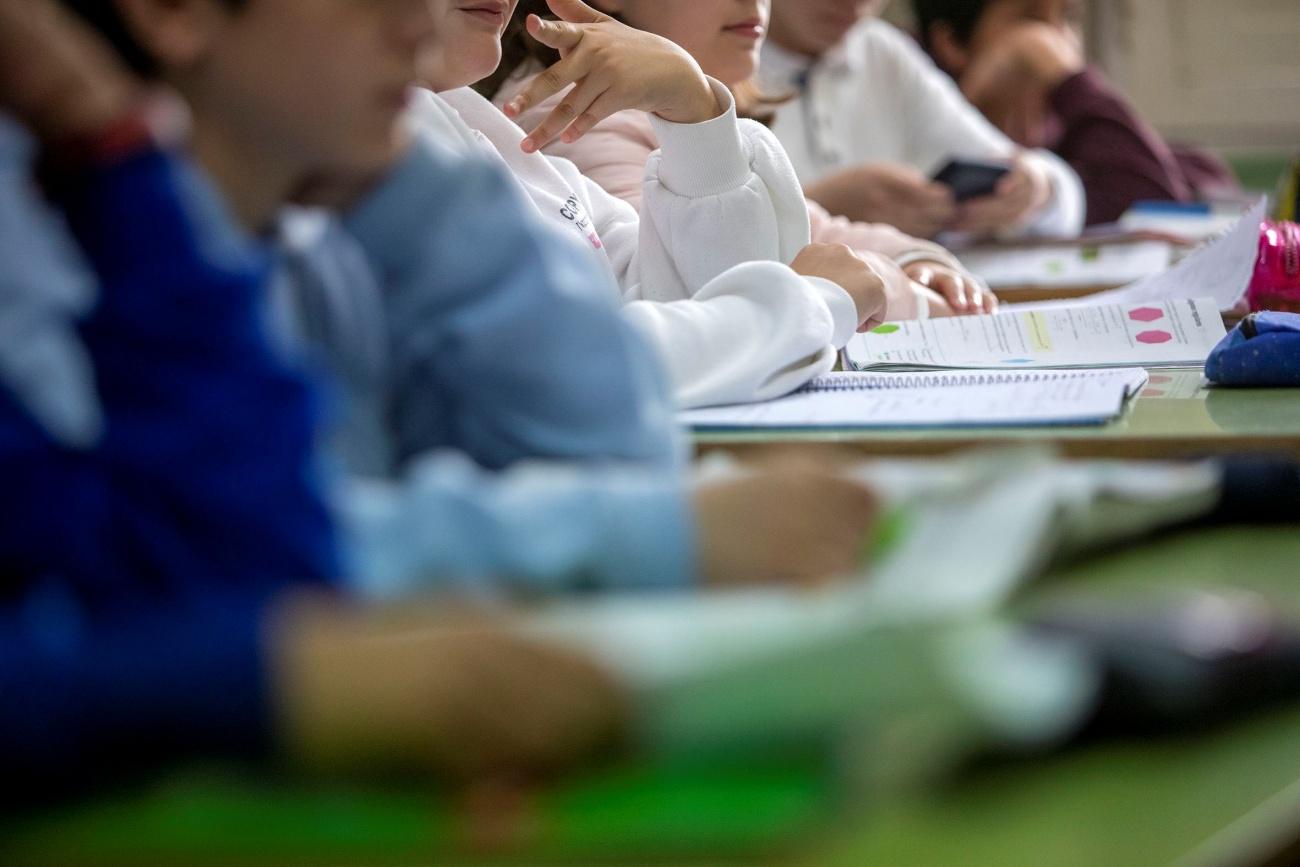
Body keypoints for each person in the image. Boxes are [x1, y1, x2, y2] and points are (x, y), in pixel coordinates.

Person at [0, 0, 626, 798]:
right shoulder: (48, 253)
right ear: (172, 12)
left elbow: (274, 582)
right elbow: (242, 605)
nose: (421, 27)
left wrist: (119, 157)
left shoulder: (302, 241)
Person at [59, 0, 882, 602]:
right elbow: (242, 565)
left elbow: (614, 435)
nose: (415, 24)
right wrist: (804, 307)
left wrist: (700, 112)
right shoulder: (85, 253)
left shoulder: (340, 210)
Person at [492, 0, 999, 315]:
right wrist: (895, 286)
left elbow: (810, 232)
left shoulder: (656, 113)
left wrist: (918, 260)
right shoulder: (573, 120)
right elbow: (727, 293)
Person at [752, 0, 1084, 239]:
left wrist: (1037, 187)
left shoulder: (880, 51)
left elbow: (1055, 190)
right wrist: (819, 210)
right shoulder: (716, 59)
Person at [911, 0, 1241, 225]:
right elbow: (1150, 200)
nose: (1058, 44)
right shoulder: (917, 153)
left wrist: (1068, 81)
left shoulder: (1086, 145)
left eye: (1069, 16)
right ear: (951, 42)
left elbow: (1179, 200)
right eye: (1029, 20)